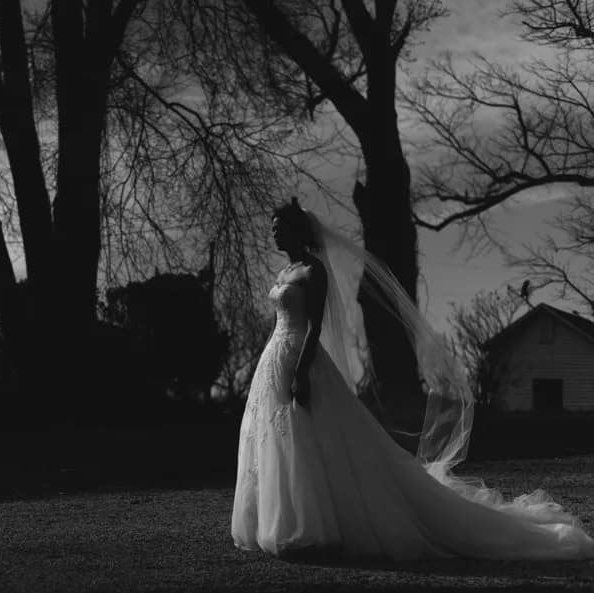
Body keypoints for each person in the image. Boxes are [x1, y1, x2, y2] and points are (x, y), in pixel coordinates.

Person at [231, 197, 594, 560]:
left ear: (297, 229)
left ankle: (313, 528)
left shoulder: (313, 271)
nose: (273, 233)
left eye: (279, 227)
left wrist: (302, 371)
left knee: (309, 438)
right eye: (272, 228)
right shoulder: (285, 273)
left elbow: (314, 327)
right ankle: (277, 521)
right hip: (273, 356)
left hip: (300, 358)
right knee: (274, 436)